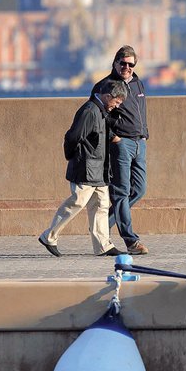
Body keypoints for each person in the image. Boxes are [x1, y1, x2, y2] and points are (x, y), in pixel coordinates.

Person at [39, 80, 128, 257]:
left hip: (99, 169)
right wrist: (73, 157)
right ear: (107, 96)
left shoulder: (101, 110)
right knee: (77, 202)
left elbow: (100, 133)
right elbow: (73, 137)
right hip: (86, 167)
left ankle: (103, 245)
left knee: (101, 206)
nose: (116, 106)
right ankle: (49, 236)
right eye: (116, 102)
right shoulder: (89, 111)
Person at [92, 45, 149, 255]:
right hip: (120, 144)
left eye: (130, 64)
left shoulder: (137, 83)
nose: (126, 67)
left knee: (139, 189)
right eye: (122, 63)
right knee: (121, 192)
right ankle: (131, 241)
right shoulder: (105, 86)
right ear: (115, 63)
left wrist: (145, 133)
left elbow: (142, 110)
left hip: (139, 143)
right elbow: (95, 116)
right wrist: (112, 137)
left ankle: (103, 226)